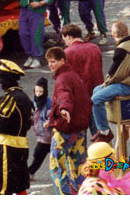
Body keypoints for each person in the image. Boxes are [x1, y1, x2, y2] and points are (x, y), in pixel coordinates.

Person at [90, 21, 130, 143]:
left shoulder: (122, 49)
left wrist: (106, 84)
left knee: (96, 99)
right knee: (96, 90)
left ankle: (104, 131)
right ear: (127, 32)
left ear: (113, 34)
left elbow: (115, 73)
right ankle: (103, 126)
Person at [45, 46, 91, 195]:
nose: (50, 65)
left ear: (62, 60)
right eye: (49, 62)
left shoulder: (63, 79)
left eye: (53, 61)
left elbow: (64, 96)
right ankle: (83, 193)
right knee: (79, 164)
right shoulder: (74, 76)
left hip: (65, 128)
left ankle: (64, 195)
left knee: (57, 166)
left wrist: (64, 109)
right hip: (79, 127)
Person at [0, 60, 33, 195]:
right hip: (22, 145)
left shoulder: (10, 98)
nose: (0, 83)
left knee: (5, 188)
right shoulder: (25, 97)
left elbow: (2, 127)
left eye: (1, 79)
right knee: (20, 186)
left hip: (8, 147)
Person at [0, 0, 54, 68]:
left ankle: (37, 57)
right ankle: (29, 54)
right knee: (23, 33)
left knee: (36, 34)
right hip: (24, 8)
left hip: (37, 11)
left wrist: (39, 3)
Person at [61, 23, 103, 135]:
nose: (64, 42)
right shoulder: (95, 48)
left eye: (64, 38)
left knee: (79, 135)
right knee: (99, 132)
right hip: (97, 94)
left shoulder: (67, 53)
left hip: (78, 99)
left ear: (69, 36)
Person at [28, 77, 52, 180]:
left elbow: (52, 116)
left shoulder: (48, 103)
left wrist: (49, 122)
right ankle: (30, 172)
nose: (38, 94)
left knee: (38, 154)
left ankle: (30, 172)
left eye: (41, 91)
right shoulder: (34, 103)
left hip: (49, 135)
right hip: (42, 135)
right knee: (39, 155)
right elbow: (33, 118)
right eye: (36, 91)